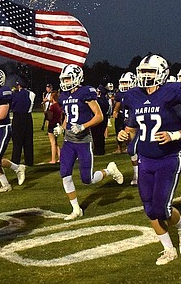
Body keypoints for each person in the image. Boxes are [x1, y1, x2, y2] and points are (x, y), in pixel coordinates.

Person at [118, 55, 181, 265]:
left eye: (150, 72)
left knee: (162, 208)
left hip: (168, 158)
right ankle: (168, 249)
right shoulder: (134, 96)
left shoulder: (171, 94)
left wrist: (174, 135)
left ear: (161, 73)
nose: (146, 76)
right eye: (143, 71)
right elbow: (131, 126)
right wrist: (125, 134)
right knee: (149, 208)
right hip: (145, 158)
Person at [57, 64, 124, 220]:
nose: (66, 82)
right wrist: (62, 127)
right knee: (64, 174)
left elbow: (99, 116)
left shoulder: (86, 92)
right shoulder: (64, 96)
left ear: (77, 78)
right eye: (64, 79)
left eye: (68, 78)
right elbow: (68, 116)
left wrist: (83, 126)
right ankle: (76, 209)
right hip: (68, 141)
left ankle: (109, 170)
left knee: (87, 179)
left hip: (83, 141)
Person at [113, 72, 138, 184]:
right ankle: (136, 174)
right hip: (128, 123)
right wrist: (115, 111)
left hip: (139, 125)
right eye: (122, 82)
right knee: (132, 150)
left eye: (126, 82)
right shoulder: (122, 95)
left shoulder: (138, 93)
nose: (124, 85)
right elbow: (118, 103)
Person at [10, 78, 36, 166]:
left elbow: (11, 105)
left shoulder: (14, 94)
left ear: (19, 85)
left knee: (17, 141)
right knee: (28, 141)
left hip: (17, 117)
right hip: (28, 117)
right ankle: (29, 161)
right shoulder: (31, 94)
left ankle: (15, 160)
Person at [90, 85, 111, 156]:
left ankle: (98, 150)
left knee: (97, 135)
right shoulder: (104, 99)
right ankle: (99, 150)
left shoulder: (100, 100)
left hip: (99, 118)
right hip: (103, 118)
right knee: (99, 135)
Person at [45, 91, 63, 163]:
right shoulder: (59, 106)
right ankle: (60, 157)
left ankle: (53, 159)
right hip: (58, 124)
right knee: (56, 142)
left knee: (52, 142)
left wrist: (47, 113)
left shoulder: (52, 106)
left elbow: (49, 117)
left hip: (52, 125)